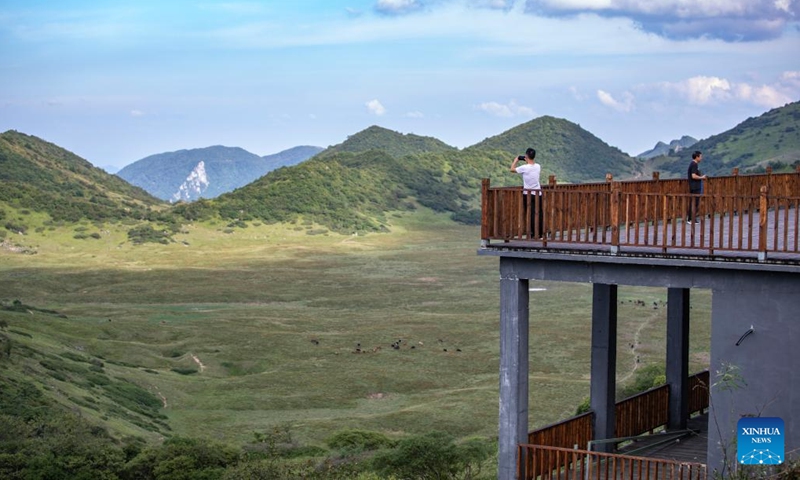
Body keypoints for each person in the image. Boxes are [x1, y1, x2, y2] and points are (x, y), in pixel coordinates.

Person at [511, 148, 543, 238]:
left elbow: (512, 169)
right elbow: (531, 167)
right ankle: (540, 233)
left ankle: (533, 234)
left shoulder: (524, 168)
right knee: (539, 213)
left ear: (526, 156)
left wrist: (516, 160)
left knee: (530, 213)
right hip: (538, 193)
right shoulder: (538, 166)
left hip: (528, 194)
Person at [686, 150, 707, 224]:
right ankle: (691, 219)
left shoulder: (693, 164)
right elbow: (693, 176)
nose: (701, 158)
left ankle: (692, 218)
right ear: (697, 157)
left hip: (693, 186)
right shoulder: (694, 164)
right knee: (694, 202)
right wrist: (702, 177)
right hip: (695, 186)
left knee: (694, 202)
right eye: (700, 157)